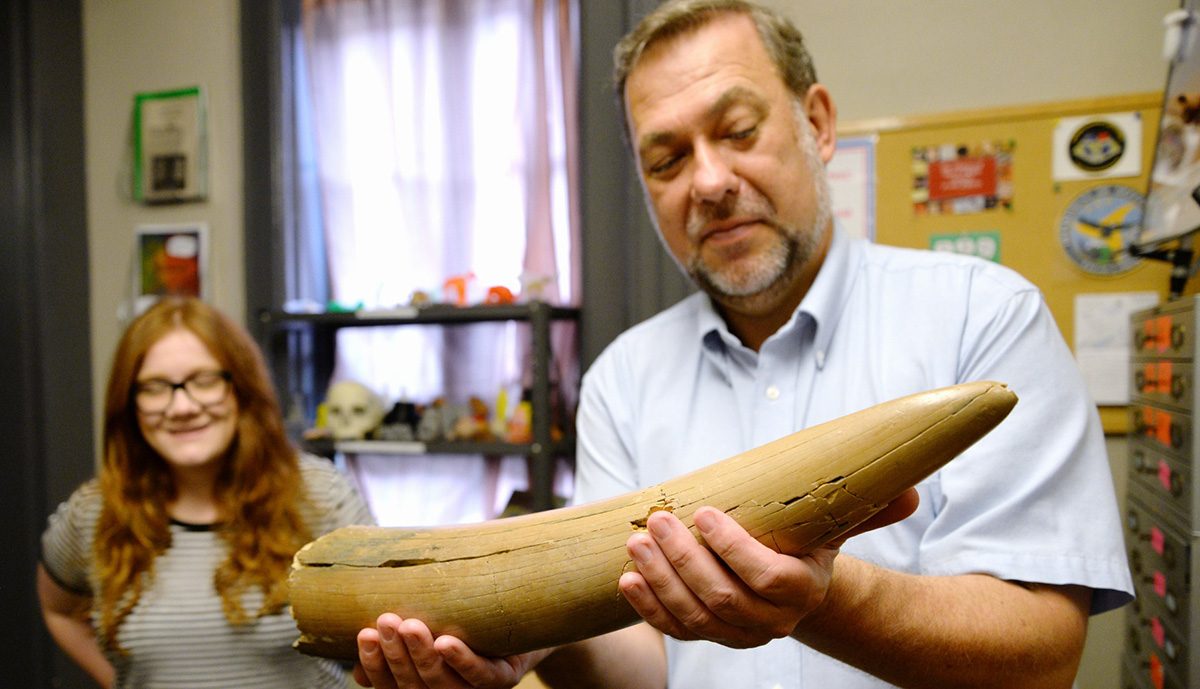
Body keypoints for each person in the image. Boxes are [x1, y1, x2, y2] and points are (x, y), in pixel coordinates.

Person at [352, 1, 1135, 687]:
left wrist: (826, 598)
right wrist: (538, 643)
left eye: (737, 130)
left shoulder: (985, 319)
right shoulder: (623, 380)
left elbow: (1041, 658)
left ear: (817, 123)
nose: (709, 181)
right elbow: (646, 665)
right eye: (667, 159)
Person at [37, 296, 373, 689]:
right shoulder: (94, 513)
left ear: (240, 389)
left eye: (204, 381)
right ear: (129, 404)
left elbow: (381, 631)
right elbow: (58, 611)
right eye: (155, 387)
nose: (181, 406)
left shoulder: (320, 495)